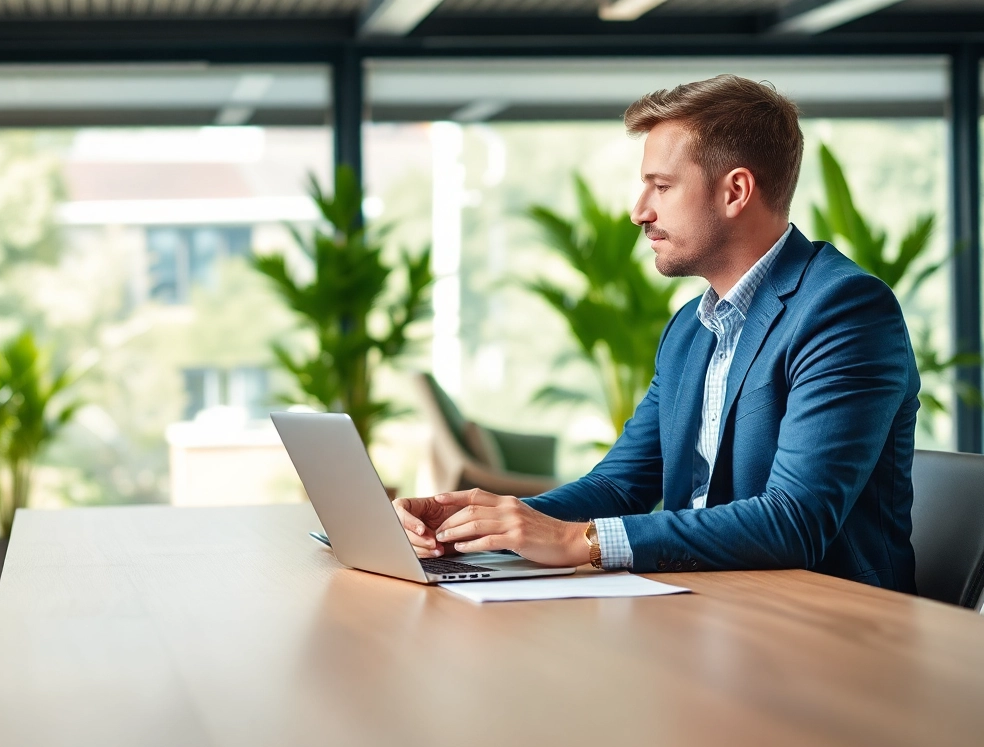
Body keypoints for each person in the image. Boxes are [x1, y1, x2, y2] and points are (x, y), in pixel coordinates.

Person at [393, 74, 920, 593]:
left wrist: (583, 541)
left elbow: (794, 522)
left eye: (661, 187)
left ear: (735, 191)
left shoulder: (844, 309)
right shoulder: (691, 328)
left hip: (824, 626)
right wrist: (477, 524)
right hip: (711, 605)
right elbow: (620, 486)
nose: (638, 211)